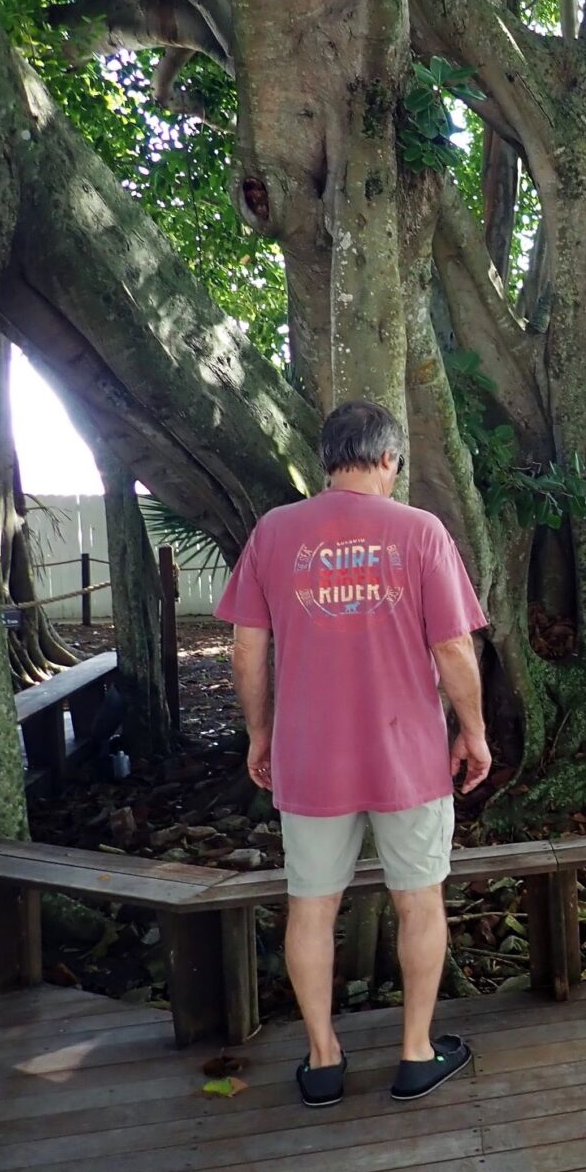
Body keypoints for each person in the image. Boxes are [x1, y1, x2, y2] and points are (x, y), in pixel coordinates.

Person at [216, 399, 492, 1108]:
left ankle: (322, 1060)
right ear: (390, 461)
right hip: (409, 756)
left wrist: (260, 732)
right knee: (419, 902)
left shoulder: (277, 531)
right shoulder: (421, 533)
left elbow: (248, 646)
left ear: (328, 458)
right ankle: (415, 1051)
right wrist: (474, 731)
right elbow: (453, 648)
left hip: (309, 758)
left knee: (310, 906)